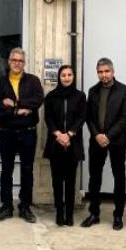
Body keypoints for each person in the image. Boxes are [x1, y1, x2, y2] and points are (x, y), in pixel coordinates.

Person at [0, 48, 45, 222]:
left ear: (24, 63)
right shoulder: (1, 82)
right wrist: (17, 111)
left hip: (28, 133)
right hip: (7, 133)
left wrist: (15, 103)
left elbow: (38, 100)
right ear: (9, 62)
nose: (17, 63)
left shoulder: (33, 81)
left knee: (27, 171)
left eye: (20, 61)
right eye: (14, 60)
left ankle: (25, 207)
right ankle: (6, 206)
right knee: (6, 170)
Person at [83, 57, 126, 230]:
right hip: (96, 141)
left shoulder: (124, 91)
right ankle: (94, 213)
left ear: (113, 71)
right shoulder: (93, 91)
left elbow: (125, 118)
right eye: (100, 72)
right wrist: (97, 134)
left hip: (117, 142)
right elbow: (88, 116)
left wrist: (108, 136)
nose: (104, 75)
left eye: (106, 71)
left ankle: (118, 215)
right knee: (94, 177)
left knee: (119, 177)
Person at [43, 65, 86, 226]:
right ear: (59, 78)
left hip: (72, 143)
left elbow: (81, 117)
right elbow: (48, 118)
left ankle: (69, 214)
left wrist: (69, 134)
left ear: (73, 77)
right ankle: (59, 212)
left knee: (70, 181)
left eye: (69, 75)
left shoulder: (80, 96)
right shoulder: (51, 96)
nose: (66, 78)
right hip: (56, 143)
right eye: (63, 75)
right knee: (57, 181)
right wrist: (58, 134)